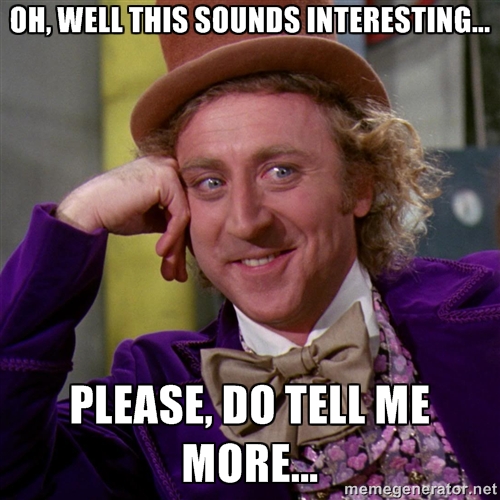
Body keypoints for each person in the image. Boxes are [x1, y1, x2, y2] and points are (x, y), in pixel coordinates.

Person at [1, 0, 499, 498]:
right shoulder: (152, 396)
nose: (246, 220)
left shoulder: (488, 311)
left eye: (280, 172)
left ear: (360, 183)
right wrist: (76, 220)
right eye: (210, 182)